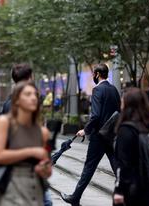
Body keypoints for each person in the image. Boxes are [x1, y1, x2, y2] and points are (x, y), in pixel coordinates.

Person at [0, 64, 52, 206]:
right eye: (27, 94)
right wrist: (32, 151)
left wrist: (44, 168)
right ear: (17, 99)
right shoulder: (4, 122)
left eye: (35, 95)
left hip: (35, 191)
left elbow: (47, 170)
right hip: (11, 189)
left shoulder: (42, 131)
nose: (33, 98)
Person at [61, 63, 121, 206]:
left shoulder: (97, 90)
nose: (93, 76)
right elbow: (118, 112)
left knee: (89, 168)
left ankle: (75, 197)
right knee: (117, 167)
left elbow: (95, 115)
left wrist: (85, 130)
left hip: (98, 137)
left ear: (98, 74)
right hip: (111, 135)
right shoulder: (114, 90)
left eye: (94, 73)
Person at [112, 87, 149, 206]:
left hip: (132, 188)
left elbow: (123, 164)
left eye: (123, 101)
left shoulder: (126, 130)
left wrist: (119, 191)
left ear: (128, 105)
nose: (121, 104)